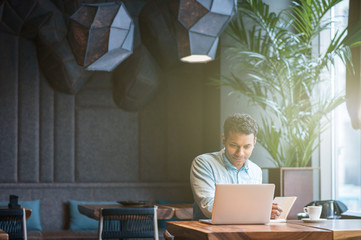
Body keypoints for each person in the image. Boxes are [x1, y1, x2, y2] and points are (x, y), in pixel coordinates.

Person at [190, 113, 282, 220]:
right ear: (224, 139)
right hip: (209, 232)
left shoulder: (255, 171)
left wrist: (265, 210)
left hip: (247, 231)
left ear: (254, 142)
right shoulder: (204, 163)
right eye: (234, 145)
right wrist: (256, 210)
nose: (240, 153)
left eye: (247, 146)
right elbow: (210, 208)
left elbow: (254, 209)